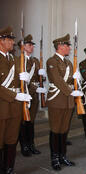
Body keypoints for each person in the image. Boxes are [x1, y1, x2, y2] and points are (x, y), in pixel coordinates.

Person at [46, 34, 83, 170]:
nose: (69, 48)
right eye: (67, 45)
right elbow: (57, 80)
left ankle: (63, 156)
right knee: (56, 130)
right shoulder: (52, 61)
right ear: (60, 46)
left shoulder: (68, 63)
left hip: (68, 101)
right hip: (57, 100)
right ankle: (54, 158)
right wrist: (70, 92)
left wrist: (76, 82)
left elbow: (69, 81)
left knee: (64, 130)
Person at [0, 26, 32, 174]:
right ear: (2, 41)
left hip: (16, 106)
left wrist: (24, 83)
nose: (13, 43)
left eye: (13, 40)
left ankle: (9, 168)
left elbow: (18, 81)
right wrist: (15, 95)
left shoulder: (14, 59)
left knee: (12, 139)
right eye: (10, 40)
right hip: (2, 105)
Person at [18, 34, 46, 157]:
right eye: (29, 45)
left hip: (34, 95)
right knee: (24, 121)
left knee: (32, 121)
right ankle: (24, 146)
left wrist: (43, 75)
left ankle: (31, 145)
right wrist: (36, 87)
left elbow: (39, 78)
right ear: (22, 47)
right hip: (25, 94)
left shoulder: (35, 61)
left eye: (32, 45)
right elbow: (21, 81)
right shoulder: (18, 60)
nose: (32, 47)